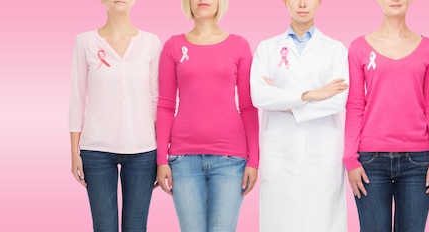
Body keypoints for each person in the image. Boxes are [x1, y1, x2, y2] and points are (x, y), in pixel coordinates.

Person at [155, 0, 259, 231]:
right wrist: (162, 159)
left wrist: (254, 160)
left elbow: (248, 106)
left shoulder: (239, 45)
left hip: (231, 161)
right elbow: (165, 105)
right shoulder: (173, 46)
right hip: (183, 160)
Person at [343, 1, 429, 231]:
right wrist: (350, 158)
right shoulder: (359, 47)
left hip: (418, 162)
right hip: (369, 162)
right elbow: (355, 105)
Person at [249, 0, 349, 231]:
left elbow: (336, 101)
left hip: (323, 151)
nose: (302, 4)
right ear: (285, 3)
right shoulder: (267, 48)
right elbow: (260, 96)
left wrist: (283, 101)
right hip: (280, 151)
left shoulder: (335, 49)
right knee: (280, 219)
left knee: (323, 219)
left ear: (319, 3)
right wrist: (311, 95)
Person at [69, 0, 161, 231]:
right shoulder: (85, 42)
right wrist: (73, 152)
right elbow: (77, 98)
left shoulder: (151, 43)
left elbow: (156, 99)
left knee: (136, 226)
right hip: (96, 151)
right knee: (103, 227)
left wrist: (161, 157)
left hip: (143, 151)